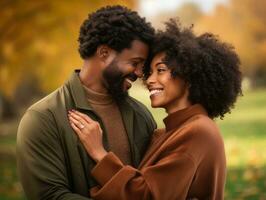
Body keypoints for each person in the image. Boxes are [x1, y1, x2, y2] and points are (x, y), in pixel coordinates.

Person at [68, 19, 242, 200]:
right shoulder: (171, 131)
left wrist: (100, 153)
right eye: (149, 72)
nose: (150, 80)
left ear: (189, 75)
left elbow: (146, 195)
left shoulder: (198, 131)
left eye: (160, 70)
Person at [16, 5, 156, 200]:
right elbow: (49, 196)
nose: (140, 74)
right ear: (104, 53)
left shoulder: (142, 116)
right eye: (134, 62)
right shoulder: (42, 119)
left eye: (143, 66)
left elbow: (149, 189)